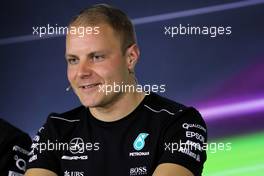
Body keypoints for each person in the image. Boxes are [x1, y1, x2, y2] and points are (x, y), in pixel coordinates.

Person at [25, 4, 207, 176]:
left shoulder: (179, 123)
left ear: (130, 57)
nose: (81, 72)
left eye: (96, 57)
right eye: (73, 60)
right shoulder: (56, 130)